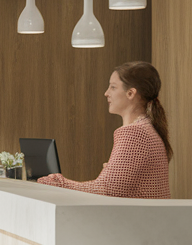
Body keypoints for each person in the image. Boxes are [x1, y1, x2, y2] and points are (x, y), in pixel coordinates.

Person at [39, 61, 172, 198]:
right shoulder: (147, 127)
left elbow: (107, 190)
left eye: (113, 87)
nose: (106, 93)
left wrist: (59, 183)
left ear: (131, 93)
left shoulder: (135, 133)